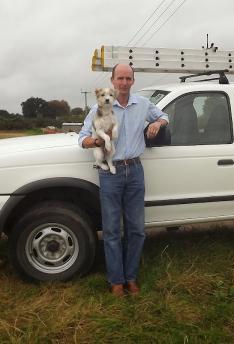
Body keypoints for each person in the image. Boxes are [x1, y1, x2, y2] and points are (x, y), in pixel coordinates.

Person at [78, 64, 168, 296]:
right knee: (111, 230)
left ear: (133, 81)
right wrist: (98, 141)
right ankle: (116, 281)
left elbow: (164, 115)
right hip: (110, 173)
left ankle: (131, 277)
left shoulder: (143, 105)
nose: (124, 82)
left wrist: (158, 123)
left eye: (128, 78)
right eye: (120, 78)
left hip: (135, 170)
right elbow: (82, 138)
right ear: (112, 80)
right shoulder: (100, 106)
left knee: (136, 229)